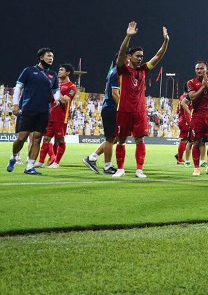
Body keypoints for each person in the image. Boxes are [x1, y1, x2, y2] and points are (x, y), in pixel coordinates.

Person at [112, 22, 169, 178]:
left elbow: (157, 57)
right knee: (121, 140)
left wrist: (166, 42)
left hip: (139, 111)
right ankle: (120, 169)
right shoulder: (123, 69)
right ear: (130, 57)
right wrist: (128, 36)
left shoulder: (144, 69)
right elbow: (122, 52)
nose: (140, 59)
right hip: (123, 110)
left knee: (140, 140)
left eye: (141, 57)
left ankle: (139, 170)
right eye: (137, 56)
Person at [6, 47, 61, 175]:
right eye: (48, 56)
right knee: (22, 137)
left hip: (43, 111)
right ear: (41, 57)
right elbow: (19, 87)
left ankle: (30, 166)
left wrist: (57, 99)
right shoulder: (28, 71)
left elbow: (56, 90)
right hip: (27, 109)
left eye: (52, 56)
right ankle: (14, 156)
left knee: (37, 138)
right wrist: (15, 104)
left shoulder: (53, 75)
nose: (51, 58)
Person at [82, 59, 120, 174]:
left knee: (114, 139)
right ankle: (107, 167)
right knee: (110, 138)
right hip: (111, 108)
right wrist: (122, 109)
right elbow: (115, 94)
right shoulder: (117, 73)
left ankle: (92, 158)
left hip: (110, 108)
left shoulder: (115, 72)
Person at [36, 63, 77, 168]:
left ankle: (56, 162)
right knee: (45, 139)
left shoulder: (72, 87)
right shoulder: (56, 84)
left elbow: (65, 100)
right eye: (59, 69)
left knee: (60, 141)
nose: (59, 71)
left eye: (62, 70)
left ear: (67, 73)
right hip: (50, 116)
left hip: (61, 118)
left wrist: (56, 90)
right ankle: (40, 161)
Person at [186, 62, 208, 176]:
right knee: (196, 142)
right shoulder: (191, 82)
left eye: (201, 68)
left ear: (207, 69)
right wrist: (203, 86)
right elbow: (192, 97)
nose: (199, 70)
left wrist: (207, 87)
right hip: (197, 116)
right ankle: (196, 168)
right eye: (197, 69)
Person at [175, 83, 192, 165]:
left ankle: (179, 155)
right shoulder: (186, 99)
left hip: (181, 120)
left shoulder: (181, 97)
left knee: (188, 140)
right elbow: (186, 112)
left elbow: (177, 111)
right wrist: (189, 123)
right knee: (184, 140)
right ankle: (180, 159)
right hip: (185, 121)